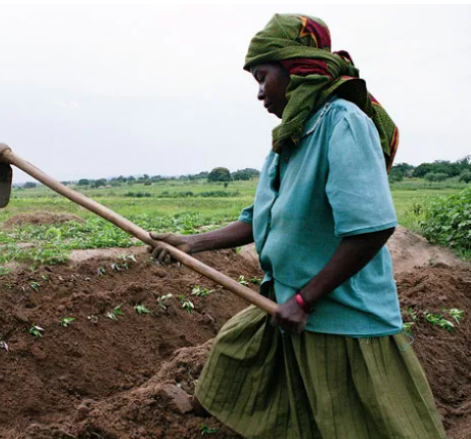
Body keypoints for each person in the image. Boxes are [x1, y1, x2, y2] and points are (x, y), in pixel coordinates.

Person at [148, 14, 446, 439]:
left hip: (339, 314)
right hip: (285, 299)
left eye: (262, 76)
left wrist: (306, 300)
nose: (258, 92)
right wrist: (191, 243)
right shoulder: (290, 138)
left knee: (358, 424)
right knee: (235, 354)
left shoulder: (342, 123)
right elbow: (260, 219)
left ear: (297, 68)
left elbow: (371, 229)